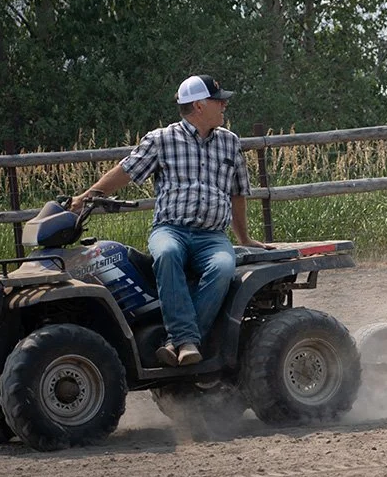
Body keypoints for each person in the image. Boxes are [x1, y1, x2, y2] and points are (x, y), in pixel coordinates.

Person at [71, 74, 271, 366]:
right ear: (200, 105)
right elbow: (125, 171)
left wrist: (244, 239)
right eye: (219, 100)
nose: (225, 105)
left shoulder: (230, 142)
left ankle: (178, 340)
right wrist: (85, 197)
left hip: (212, 236)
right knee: (166, 254)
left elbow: (237, 193)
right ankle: (187, 340)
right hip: (170, 229)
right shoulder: (162, 140)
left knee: (224, 267)